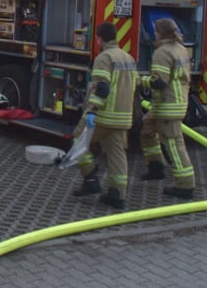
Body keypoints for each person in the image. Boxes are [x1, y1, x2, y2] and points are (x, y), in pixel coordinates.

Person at [71, 22, 138, 210]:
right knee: (117, 153)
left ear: (99, 38)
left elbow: (102, 88)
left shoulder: (104, 58)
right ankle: (117, 194)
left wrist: (92, 111)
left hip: (104, 115)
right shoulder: (129, 58)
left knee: (79, 139)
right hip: (123, 117)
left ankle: (90, 178)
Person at [138, 18, 195, 199]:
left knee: (173, 143)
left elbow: (159, 82)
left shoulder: (162, 52)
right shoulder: (181, 49)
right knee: (147, 130)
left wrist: (139, 81)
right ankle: (156, 167)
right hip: (172, 102)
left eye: (156, 31)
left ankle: (185, 185)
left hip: (168, 104)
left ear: (160, 32)